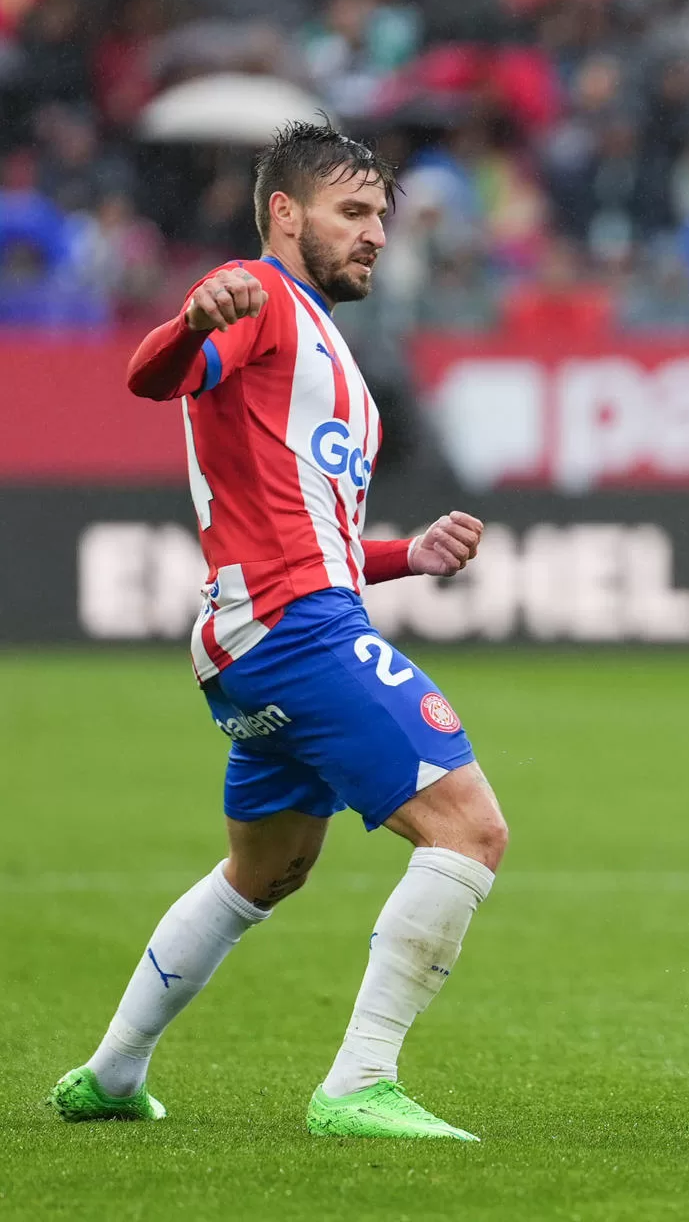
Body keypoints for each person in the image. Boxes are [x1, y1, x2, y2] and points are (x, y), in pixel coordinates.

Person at [48, 121, 507, 1142]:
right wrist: (189, 320)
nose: (377, 233)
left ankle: (111, 1073)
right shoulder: (256, 296)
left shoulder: (326, 345)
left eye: (381, 214)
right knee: (470, 827)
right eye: (354, 212)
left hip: (258, 628)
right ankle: (358, 1083)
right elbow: (153, 376)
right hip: (295, 628)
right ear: (286, 213)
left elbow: (311, 530)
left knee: (266, 870)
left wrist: (408, 554)